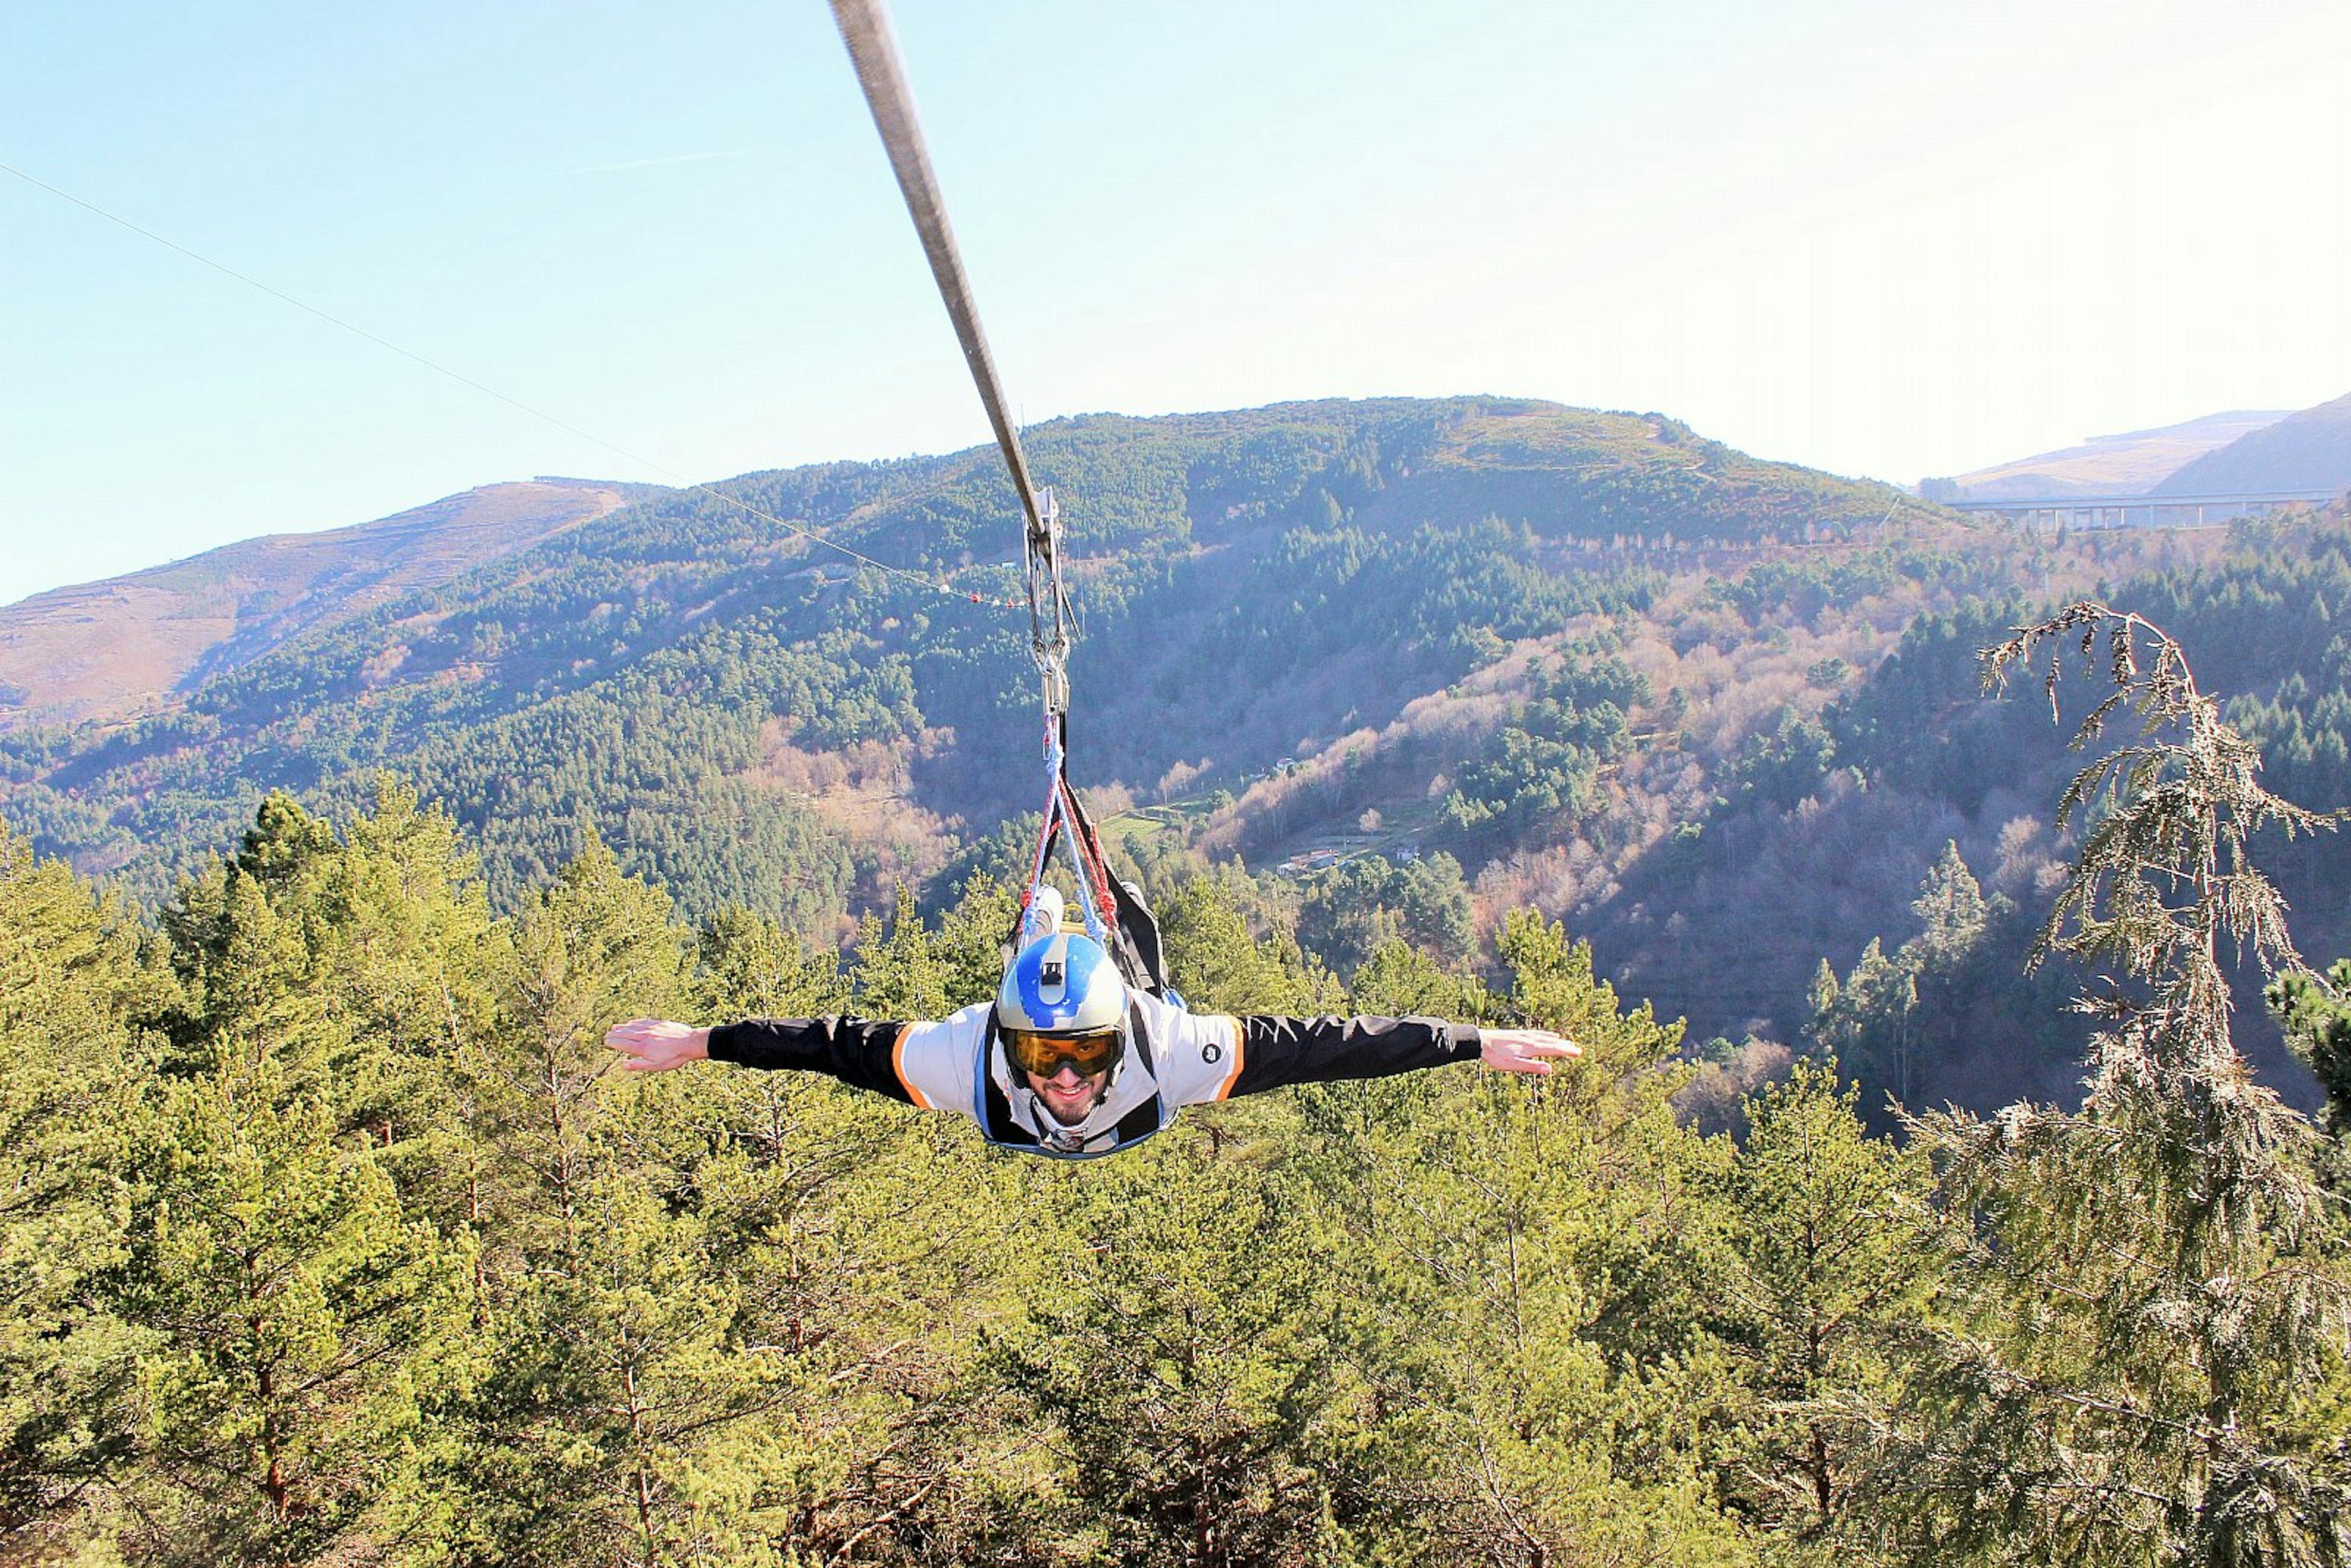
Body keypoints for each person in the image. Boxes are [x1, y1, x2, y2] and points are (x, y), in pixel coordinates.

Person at [604, 922, 1580, 1160]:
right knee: (1072, 951)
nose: (1067, 1080)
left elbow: (1329, 1042)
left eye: (1084, 1054)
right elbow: (831, 1042)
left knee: (1139, 948)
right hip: (1092, 1029)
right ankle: (1053, 926)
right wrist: (698, 1042)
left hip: (1140, 1000)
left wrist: (1469, 1041)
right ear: (1008, 1046)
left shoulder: (1173, 1046)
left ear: (1119, 1041)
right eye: (1041, 1057)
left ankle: (1102, 926)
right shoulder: (964, 1059)